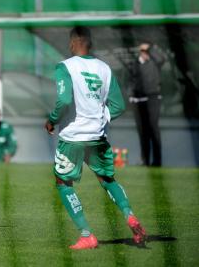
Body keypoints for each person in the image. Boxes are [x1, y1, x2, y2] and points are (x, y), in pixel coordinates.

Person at [44, 27, 146, 250]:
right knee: (107, 180)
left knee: (63, 182)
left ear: (72, 44)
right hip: (98, 136)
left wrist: (51, 120)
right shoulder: (105, 68)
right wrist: (101, 119)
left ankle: (87, 235)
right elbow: (118, 105)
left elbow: (63, 101)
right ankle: (129, 215)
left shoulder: (65, 67)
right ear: (90, 44)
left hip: (72, 137)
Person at [129, 43, 165, 166]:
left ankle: (157, 161)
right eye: (143, 51)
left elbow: (161, 58)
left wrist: (151, 48)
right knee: (142, 131)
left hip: (153, 99)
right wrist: (131, 95)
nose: (145, 53)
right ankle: (145, 160)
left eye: (147, 51)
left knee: (153, 129)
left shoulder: (155, 62)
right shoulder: (136, 64)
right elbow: (132, 80)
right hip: (138, 101)